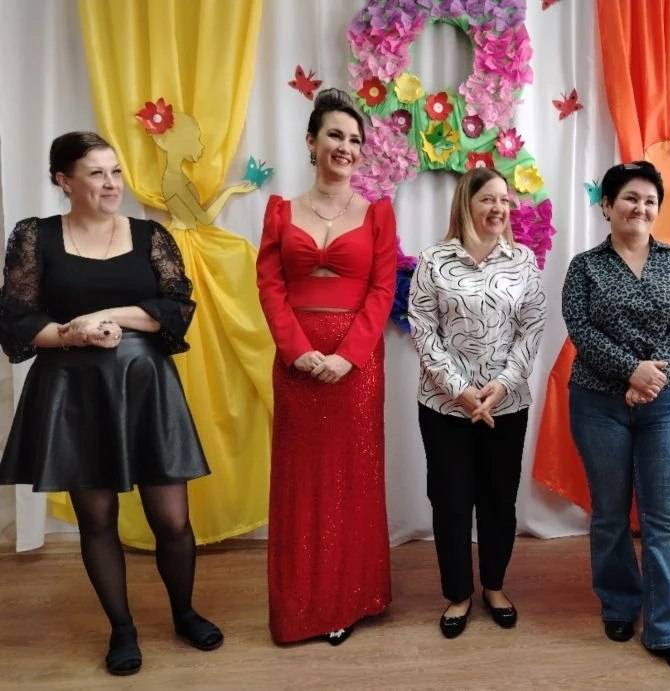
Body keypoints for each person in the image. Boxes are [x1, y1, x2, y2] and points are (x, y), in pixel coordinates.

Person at [0, 131, 222, 676]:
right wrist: (72, 333)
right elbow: (17, 321)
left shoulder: (150, 235)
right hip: (73, 390)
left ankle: (184, 612)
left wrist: (110, 315)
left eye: (115, 171)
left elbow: (176, 309)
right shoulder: (35, 236)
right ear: (64, 180)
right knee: (97, 519)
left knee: (172, 520)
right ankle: (122, 630)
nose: (111, 183)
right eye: (96, 173)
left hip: (145, 384)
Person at [256, 88, 396, 646]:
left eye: (355, 140)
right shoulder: (280, 210)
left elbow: (383, 290)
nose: (346, 147)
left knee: (350, 480)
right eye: (335, 135)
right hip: (297, 363)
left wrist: (349, 356)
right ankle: (299, 606)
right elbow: (269, 286)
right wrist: (296, 350)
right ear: (311, 141)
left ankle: (349, 599)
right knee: (300, 482)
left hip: (356, 367)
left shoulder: (378, 213)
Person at [563, 161, 670, 678]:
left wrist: (651, 380)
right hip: (598, 402)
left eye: (649, 200)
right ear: (607, 206)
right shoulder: (585, 267)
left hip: (667, 401)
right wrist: (631, 370)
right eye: (629, 198)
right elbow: (580, 329)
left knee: (663, 516)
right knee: (609, 512)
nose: (640, 208)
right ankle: (619, 603)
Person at [409, 167, 546, 639]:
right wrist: (461, 391)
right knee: (450, 501)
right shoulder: (433, 260)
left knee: (498, 499)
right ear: (466, 204)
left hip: (506, 405)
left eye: (505, 200)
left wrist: (501, 386)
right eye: (488, 199)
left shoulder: (522, 261)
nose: (498, 208)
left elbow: (531, 329)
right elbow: (424, 331)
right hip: (445, 407)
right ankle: (457, 594)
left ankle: (494, 586)